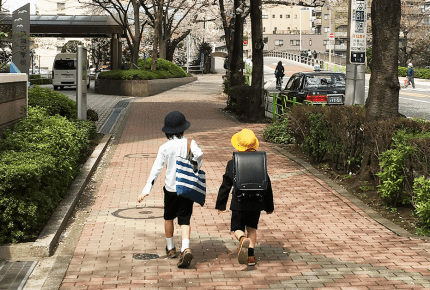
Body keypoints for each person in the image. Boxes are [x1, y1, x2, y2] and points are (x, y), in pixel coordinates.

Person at [138, 111, 203, 268]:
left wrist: (147, 188)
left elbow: (156, 168)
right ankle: (185, 247)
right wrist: (195, 165)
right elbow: (199, 155)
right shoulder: (190, 143)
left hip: (171, 189)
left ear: (167, 131)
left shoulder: (164, 147)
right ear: (183, 129)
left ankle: (170, 248)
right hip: (186, 188)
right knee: (185, 219)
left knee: (168, 217)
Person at [216, 129, 274, 266]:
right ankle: (251, 257)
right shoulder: (261, 161)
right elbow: (267, 184)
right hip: (257, 202)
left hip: (239, 202)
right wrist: (269, 207)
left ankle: (242, 239)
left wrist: (221, 205)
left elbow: (226, 185)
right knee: (252, 228)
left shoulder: (233, 163)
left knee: (237, 227)